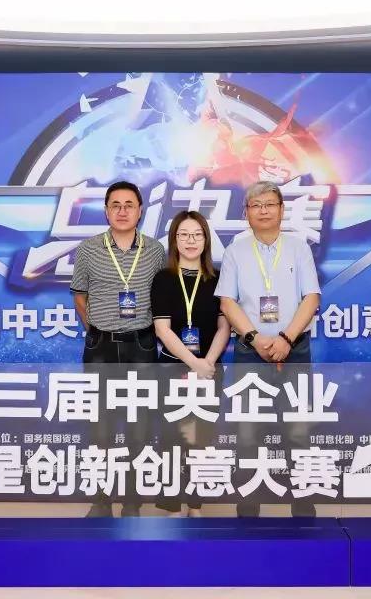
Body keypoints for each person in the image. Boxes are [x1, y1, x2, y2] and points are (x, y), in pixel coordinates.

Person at [215, 181, 321, 517]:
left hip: (295, 349)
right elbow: (227, 302)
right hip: (250, 352)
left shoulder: (298, 248)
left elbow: (311, 298)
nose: (263, 211)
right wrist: (254, 338)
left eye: (269, 204)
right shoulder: (235, 251)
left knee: (298, 430)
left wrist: (286, 338)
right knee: (248, 432)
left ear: (281, 209)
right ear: (246, 212)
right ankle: (248, 509)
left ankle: (303, 507)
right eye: (256, 205)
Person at [70, 180, 166, 518]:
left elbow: (163, 296)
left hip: (141, 345)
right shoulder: (88, 249)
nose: (122, 211)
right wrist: (96, 329)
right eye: (116, 205)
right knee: (101, 428)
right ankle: (101, 499)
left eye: (129, 205)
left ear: (140, 211)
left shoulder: (155, 250)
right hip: (101, 346)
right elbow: (79, 295)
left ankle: (132, 502)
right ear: (106, 210)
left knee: (139, 426)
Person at [150, 210, 230, 517]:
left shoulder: (218, 279)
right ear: (174, 240)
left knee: (202, 439)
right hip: (173, 368)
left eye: (197, 234)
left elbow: (224, 327)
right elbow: (162, 329)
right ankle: (172, 506)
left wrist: (207, 362)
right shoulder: (163, 279)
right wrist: (193, 362)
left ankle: (196, 504)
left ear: (206, 239)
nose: (190, 240)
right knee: (172, 437)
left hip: (210, 370)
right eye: (183, 234)